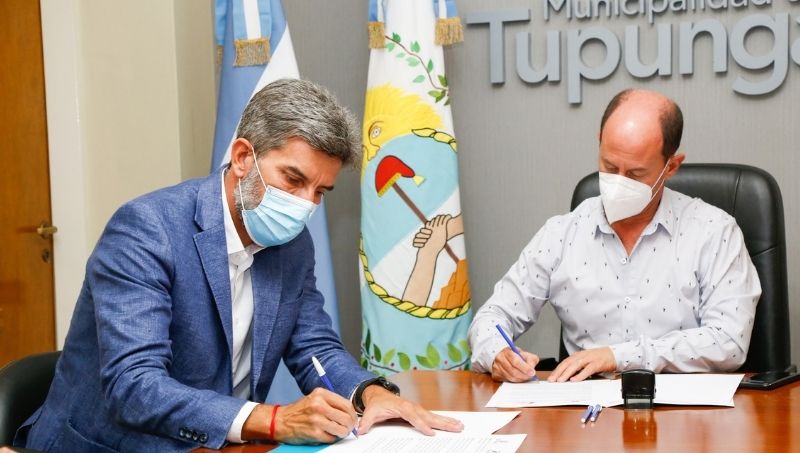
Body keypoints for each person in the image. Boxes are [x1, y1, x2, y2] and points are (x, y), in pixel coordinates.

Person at [16, 78, 462, 452]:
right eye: (293, 179)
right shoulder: (147, 228)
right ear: (244, 157)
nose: (305, 205)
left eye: (320, 192)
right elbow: (134, 386)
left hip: (218, 446)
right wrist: (274, 420)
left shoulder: (292, 243)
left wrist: (370, 393)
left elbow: (315, 349)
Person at [468, 89, 761, 383]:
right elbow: (491, 317)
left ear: (671, 166)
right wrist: (498, 353)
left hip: (684, 406)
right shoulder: (562, 233)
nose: (619, 182)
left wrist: (618, 356)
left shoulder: (714, 231)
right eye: (609, 167)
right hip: (586, 404)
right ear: (600, 142)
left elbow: (728, 342)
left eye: (635, 174)